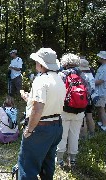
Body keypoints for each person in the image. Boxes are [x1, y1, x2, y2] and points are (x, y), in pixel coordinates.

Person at [18, 48, 66, 180]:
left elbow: (38, 109)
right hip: (56, 126)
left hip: (41, 127)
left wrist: (29, 129)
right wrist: (29, 99)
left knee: (27, 165)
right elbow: (49, 103)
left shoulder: (41, 80)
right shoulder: (59, 79)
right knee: (48, 163)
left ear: (41, 64)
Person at [56, 53, 90, 167]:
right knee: (75, 134)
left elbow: (57, 93)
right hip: (80, 111)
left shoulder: (61, 75)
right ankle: (73, 159)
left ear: (64, 63)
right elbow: (90, 91)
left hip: (65, 110)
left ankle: (60, 160)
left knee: (63, 135)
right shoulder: (83, 75)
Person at [79, 58, 98, 139]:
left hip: (83, 98)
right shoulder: (91, 73)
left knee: (82, 119)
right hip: (91, 98)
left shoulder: (81, 75)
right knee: (89, 116)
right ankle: (92, 134)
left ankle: (83, 138)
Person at [95, 51, 106, 131]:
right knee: (99, 107)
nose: (98, 58)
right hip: (99, 91)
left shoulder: (105, 68)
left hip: (102, 91)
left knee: (101, 108)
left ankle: (104, 125)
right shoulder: (102, 66)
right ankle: (101, 122)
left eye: (100, 57)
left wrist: (90, 82)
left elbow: (101, 81)